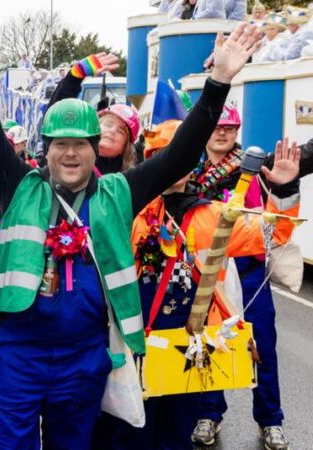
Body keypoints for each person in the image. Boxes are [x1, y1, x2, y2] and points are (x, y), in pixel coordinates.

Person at [0, 1, 261, 447]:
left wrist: (218, 81)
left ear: (95, 148)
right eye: (60, 144)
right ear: (46, 149)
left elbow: (180, 156)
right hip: (19, 353)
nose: (70, 153)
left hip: (85, 355)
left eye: (81, 144)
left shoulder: (118, 192)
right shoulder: (19, 185)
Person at [96, 126, 301, 450]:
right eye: (161, 157)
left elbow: (271, 235)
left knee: (177, 432)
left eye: (179, 157)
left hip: (189, 345)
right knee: (131, 431)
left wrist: (285, 187)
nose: (172, 165)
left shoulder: (215, 216)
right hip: (136, 344)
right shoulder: (131, 213)